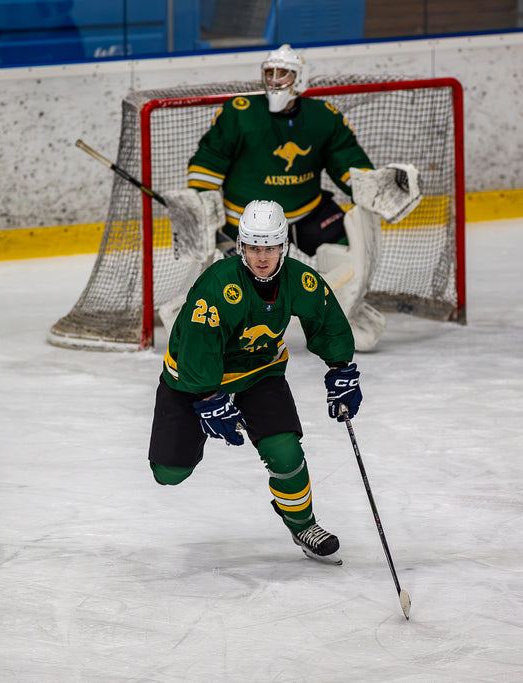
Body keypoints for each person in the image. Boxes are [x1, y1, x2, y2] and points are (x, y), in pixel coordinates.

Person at [160, 44, 421, 352]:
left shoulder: (323, 116)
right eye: (269, 72)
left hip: (307, 211)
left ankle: (342, 317)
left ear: (300, 78)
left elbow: (346, 161)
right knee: (220, 274)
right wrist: (200, 201)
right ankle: (202, 324)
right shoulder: (239, 112)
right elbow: (210, 158)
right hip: (246, 220)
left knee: (354, 245)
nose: (274, 80)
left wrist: (372, 186)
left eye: (282, 73)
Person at [148, 200, 362, 564]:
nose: (263, 257)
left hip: (259, 373)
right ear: (241, 247)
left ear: (284, 247)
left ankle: (302, 523)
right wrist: (208, 397)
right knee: (168, 472)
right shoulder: (217, 286)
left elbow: (325, 318)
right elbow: (197, 350)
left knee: (286, 453)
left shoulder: (300, 279)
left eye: (271, 247)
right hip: (192, 379)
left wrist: (340, 368)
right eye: (254, 247)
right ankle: (186, 441)